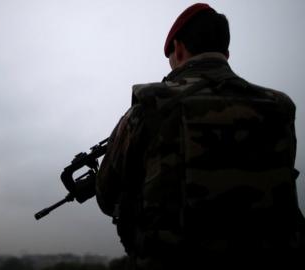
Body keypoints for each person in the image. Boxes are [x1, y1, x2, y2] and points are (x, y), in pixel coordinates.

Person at [96, 3, 303, 269]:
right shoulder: (280, 107)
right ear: (226, 53)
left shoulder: (150, 106)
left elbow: (106, 195)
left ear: (179, 48)